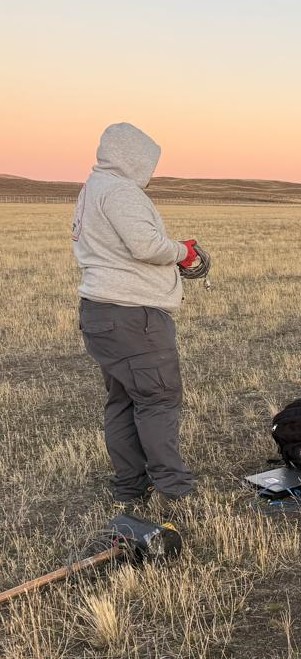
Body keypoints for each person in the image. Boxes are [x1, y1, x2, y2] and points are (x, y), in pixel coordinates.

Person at [71, 122, 198, 512]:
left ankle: (130, 486)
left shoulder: (93, 188)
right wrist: (183, 251)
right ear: (132, 158)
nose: (151, 171)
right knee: (158, 399)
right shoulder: (121, 191)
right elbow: (146, 246)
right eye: (148, 162)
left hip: (102, 313)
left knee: (124, 400)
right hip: (132, 316)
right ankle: (174, 490)